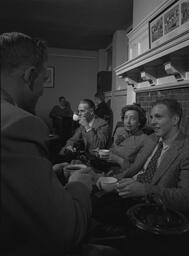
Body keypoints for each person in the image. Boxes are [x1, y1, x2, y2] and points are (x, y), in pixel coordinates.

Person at [0, 32, 94, 255]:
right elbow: (67, 231)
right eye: (43, 81)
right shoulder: (20, 123)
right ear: (30, 75)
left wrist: (47, 172)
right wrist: (80, 182)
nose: (42, 91)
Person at [91, 98, 189, 226]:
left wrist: (144, 190)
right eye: (151, 117)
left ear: (175, 120)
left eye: (158, 117)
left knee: (95, 206)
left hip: (150, 206)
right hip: (128, 188)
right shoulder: (152, 138)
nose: (152, 122)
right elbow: (133, 169)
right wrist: (109, 179)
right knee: (90, 193)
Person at [106, 104, 157, 171]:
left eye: (132, 118)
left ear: (139, 122)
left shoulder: (145, 139)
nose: (128, 122)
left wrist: (117, 159)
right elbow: (113, 148)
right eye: (126, 117)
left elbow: (136, 168)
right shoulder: (119, 130)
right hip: (106, 167)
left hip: (122, 173)